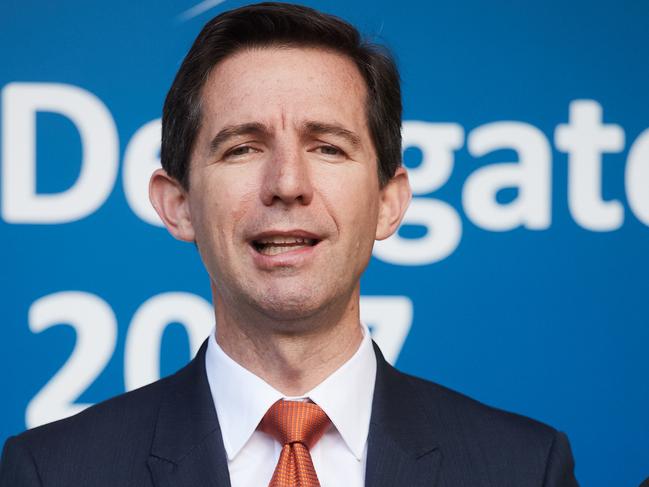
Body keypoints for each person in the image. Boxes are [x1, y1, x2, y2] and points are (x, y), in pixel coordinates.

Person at [0, 3, 579, 486]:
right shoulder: (51, 472)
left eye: (327, 147)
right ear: (177, 204)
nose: (287, 185)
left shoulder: (525, 468)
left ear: (389, 201)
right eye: (242, 148)